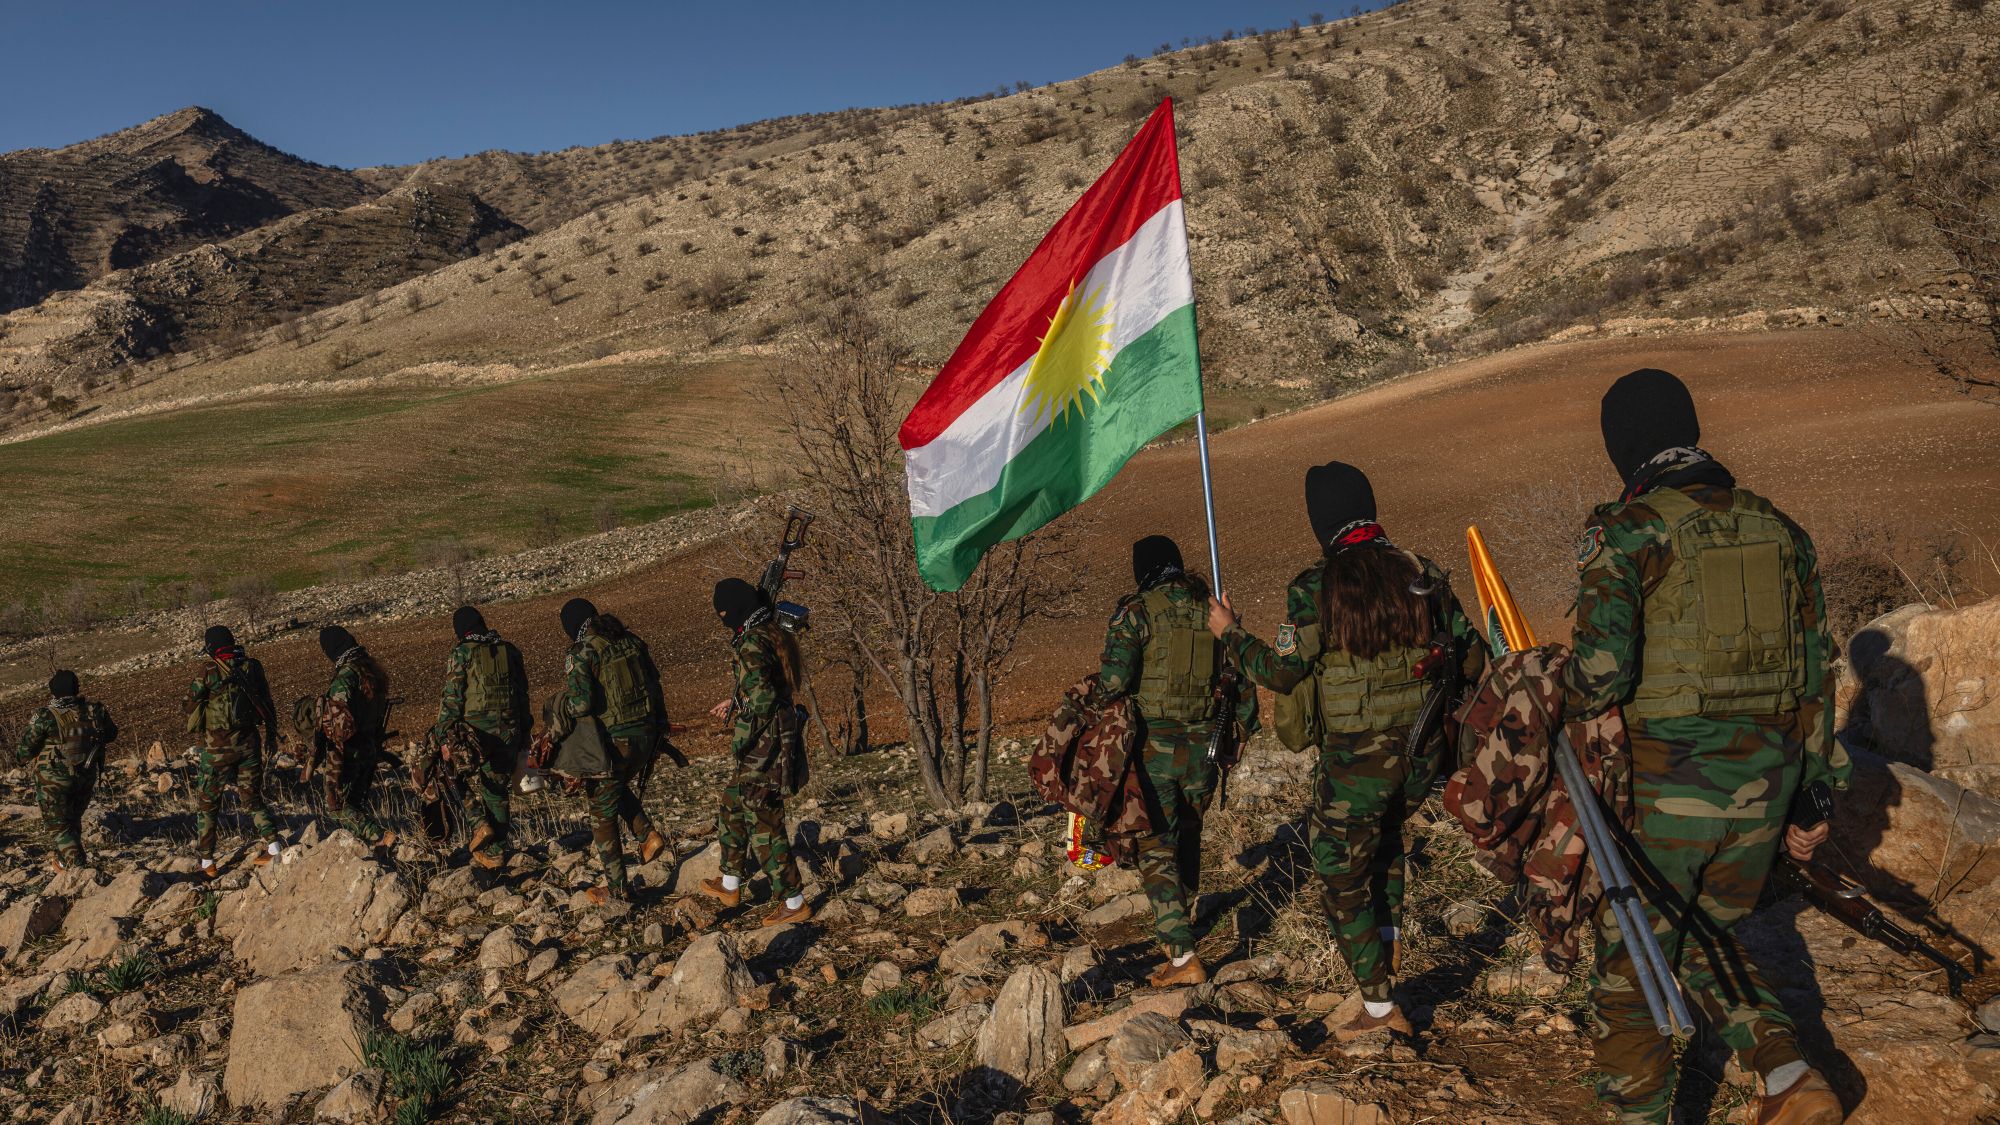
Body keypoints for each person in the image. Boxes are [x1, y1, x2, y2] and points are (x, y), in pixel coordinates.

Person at [1563, 369, 1848, 1125]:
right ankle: (1787, 1073)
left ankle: (1640, 1114)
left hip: (1669, 790)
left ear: (1624, 448)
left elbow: (1599, 675)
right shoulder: (1783, 530)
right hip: (1767, 785)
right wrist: (1815, 792)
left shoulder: (1629, 529)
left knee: (1632, 958)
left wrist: (1548, 682)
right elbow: (1817, 673)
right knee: (1701, 932)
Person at [1208, 461, 1480, 1041]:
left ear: (1320, 522)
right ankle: (1387, 960)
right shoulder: (1421, 573)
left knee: (1339, 873)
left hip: (1356, 764)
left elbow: (1281, 672)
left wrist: (1229, 631)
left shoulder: (1316, 587)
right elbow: (1474, 657)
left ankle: (1379, 1008)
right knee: (1386, 850)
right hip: (1422, 754)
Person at [1095, 535, 1240, 987]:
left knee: (1156, 845)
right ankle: (1184, 918)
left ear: (1143, 570)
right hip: (1205, 748)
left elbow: (1114, 680)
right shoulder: (1212, 609)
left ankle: (1182, 956)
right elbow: (1238, 672)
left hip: (1153, 749)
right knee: (1189, 834)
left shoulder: (1137, 611)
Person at [700, 578, 810, 927]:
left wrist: (743, 728)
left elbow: (762, 700)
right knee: (733, 801)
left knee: (763, 819)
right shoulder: (770, 632)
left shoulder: (750, 642)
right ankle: (730, 884)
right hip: (776, 736)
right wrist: (737, 699)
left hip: (765, 744)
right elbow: (769, 686)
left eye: (723, 614)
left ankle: (793, 901)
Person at [549, 597, 669, 902]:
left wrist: (561, 705)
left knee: (601, 812)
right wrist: (660, 729)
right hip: (646, 736)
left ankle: (617, 891)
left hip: (616, 743)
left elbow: (582, 704)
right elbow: (655, 687)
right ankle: (647, 835)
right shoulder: (631, 641)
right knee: (613, 787)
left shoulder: (582, 651)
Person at [421, 606, 530, 870]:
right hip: (509, 732)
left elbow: (452, 700)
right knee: (497, 792)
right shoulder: (510, 650)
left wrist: (444, 738)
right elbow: (523, 695)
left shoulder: (462, 653)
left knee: (447, 773)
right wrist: (525, 733)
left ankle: (478, 823)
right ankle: (496, 853)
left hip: (474, 735)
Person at [183, 625, 282, 877]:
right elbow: (267, 703)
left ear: (211, 647)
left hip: (216, 750)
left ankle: (208, 863)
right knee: (252, 798)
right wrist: (271, 737)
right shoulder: (252, 667)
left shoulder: (208, 670)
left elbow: (189, 705)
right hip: (249, 744)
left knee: (208, 804)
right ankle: (274, 845)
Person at [15, 671, 116, 872]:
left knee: (59, 826)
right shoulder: (96, 711)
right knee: (72, 820)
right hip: (86, 776)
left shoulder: (46, 716)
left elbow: (25, 752)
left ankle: (80, 870)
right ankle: (63, 863)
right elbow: (112, 734)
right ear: (76, 688)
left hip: (54, 781)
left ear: (53, 691)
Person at [313, 625, 397, 849]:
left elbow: (339, 725)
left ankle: (378, 836)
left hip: (349, 752)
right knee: (355, 804)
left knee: (338, 807)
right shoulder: (370, 671)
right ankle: (367, 850)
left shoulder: (346, 677)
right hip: (369, 747)